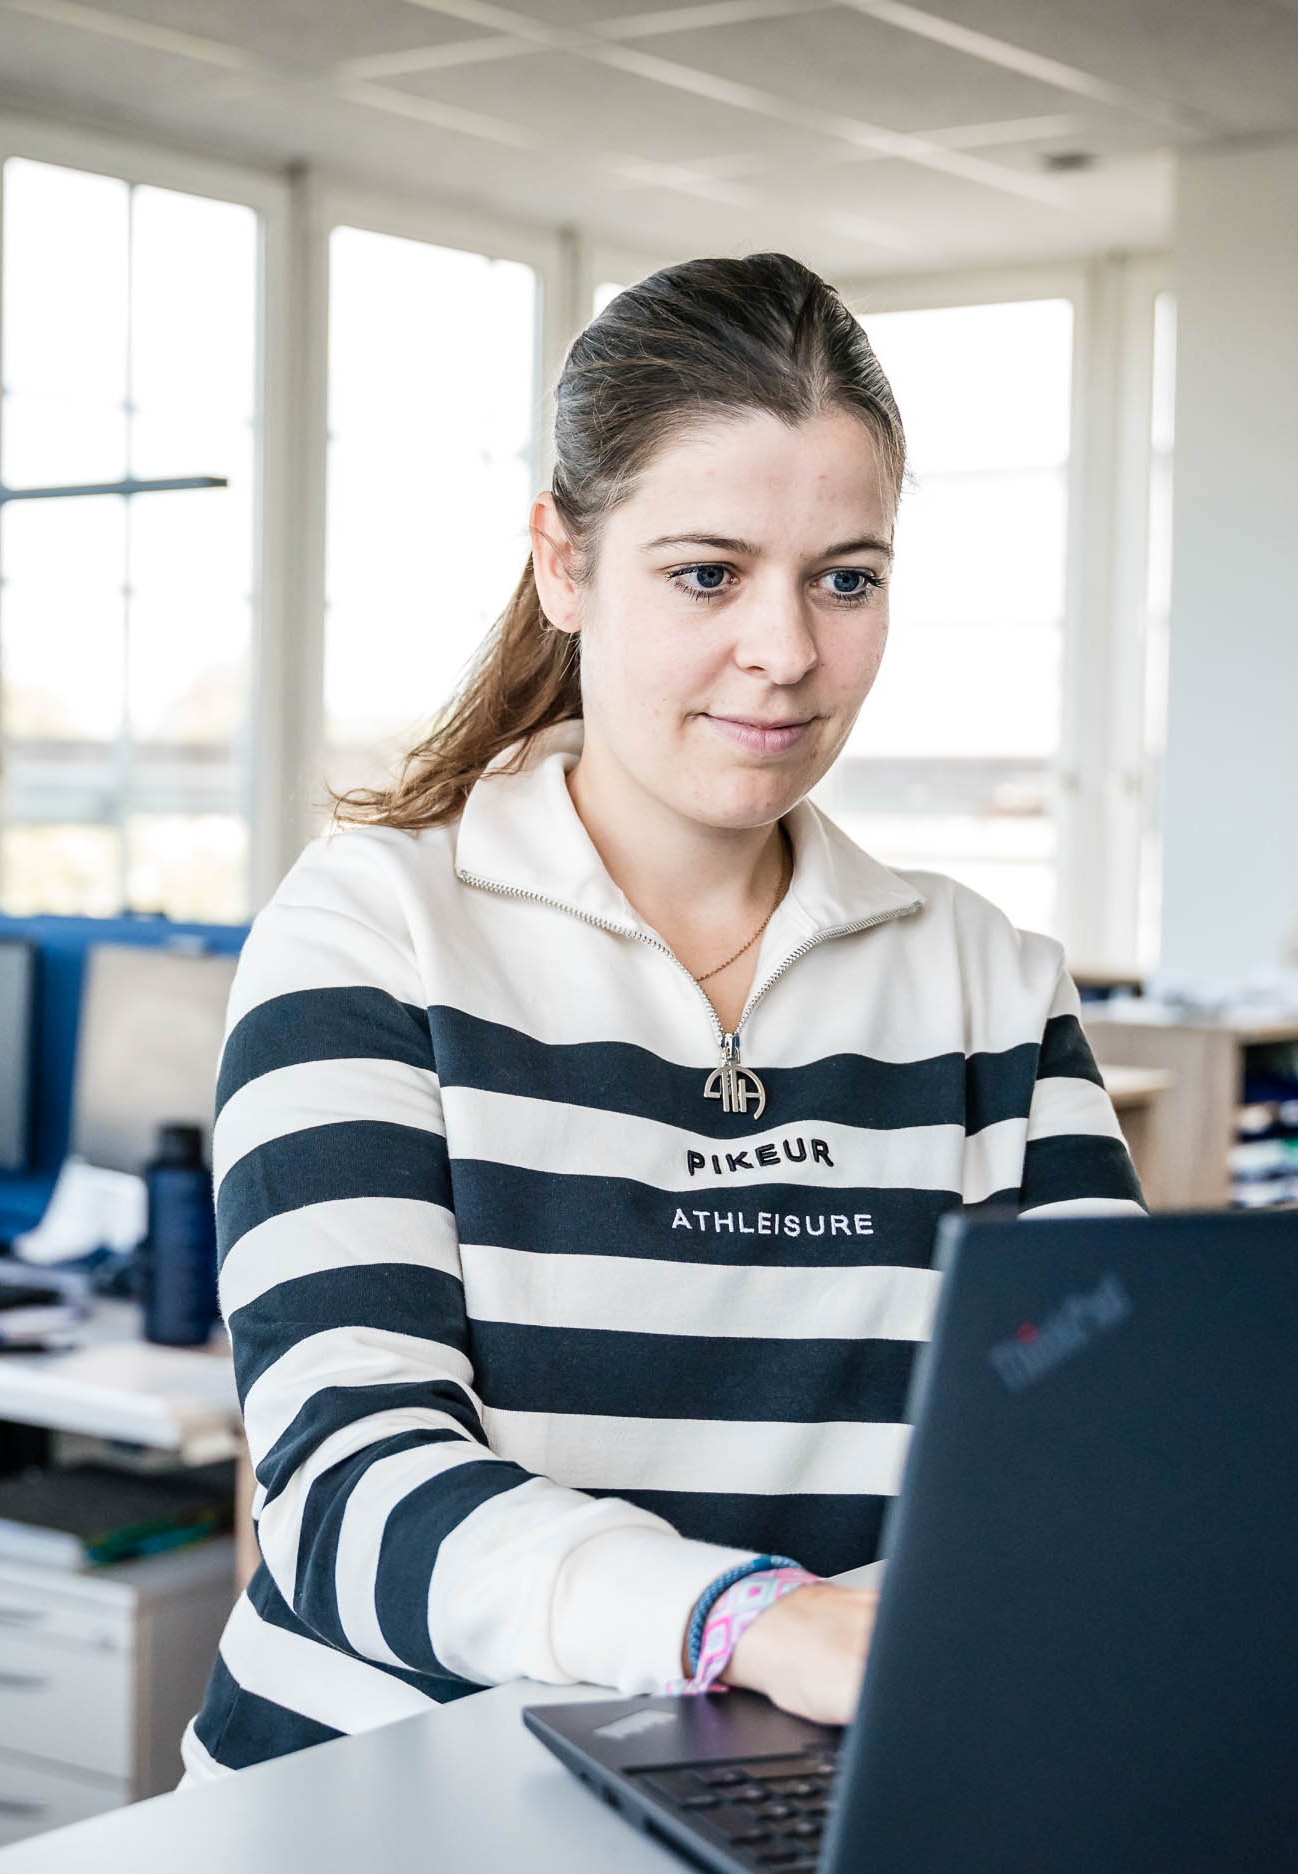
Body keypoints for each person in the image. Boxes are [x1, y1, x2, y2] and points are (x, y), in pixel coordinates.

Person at [182, 253, 1143, 1780]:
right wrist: (743, 1621)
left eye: (848, 577)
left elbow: (1100, 1449)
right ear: (564, 563)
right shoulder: (372, 931)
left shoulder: (986, 988)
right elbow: (348, 1483)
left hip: (814, 1802)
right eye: (707, 574)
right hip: (387, 1815)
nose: (787, 651)